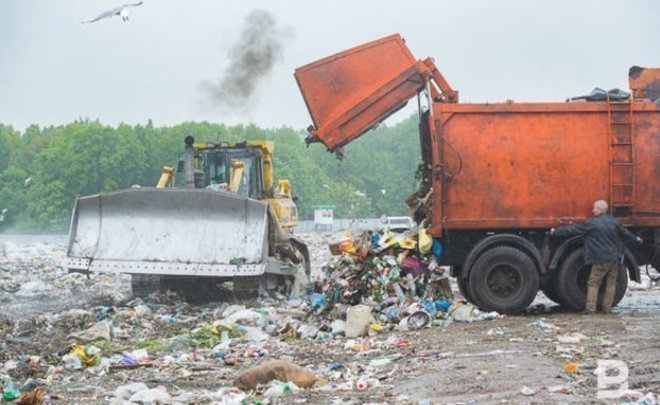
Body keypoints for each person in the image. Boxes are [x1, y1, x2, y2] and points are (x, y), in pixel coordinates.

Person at [550, 200, 642, 314]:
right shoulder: (614, 222)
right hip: (615, 258)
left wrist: (556, 232)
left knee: (593, 283)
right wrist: (636, 239)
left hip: (600, 259)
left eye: (594, 208)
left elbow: (572, 230)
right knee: (611, 284)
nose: (593, 210)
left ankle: (591, 308)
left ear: (598, 210)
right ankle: (607, 308)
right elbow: (625, 234)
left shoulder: (592, 224)